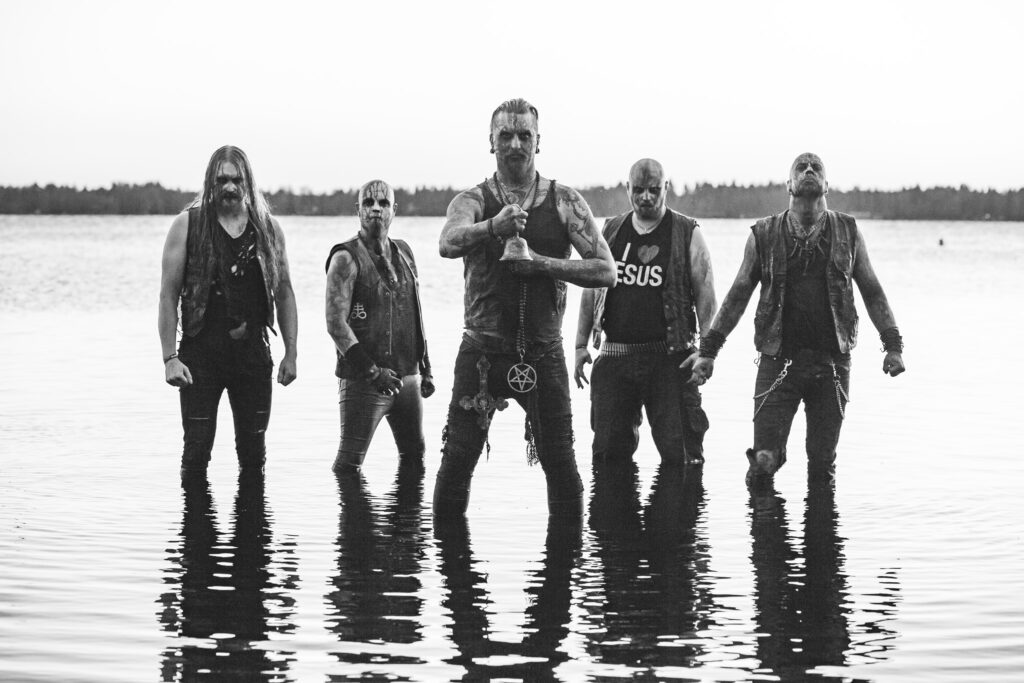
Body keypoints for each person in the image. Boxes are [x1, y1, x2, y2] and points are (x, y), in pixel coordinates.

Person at [435, 97, 617, 517]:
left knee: (562, 467)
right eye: (505, 135)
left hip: (543, 352)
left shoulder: (564, 201)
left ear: (538, 141)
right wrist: (492, 227)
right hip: (482, 352)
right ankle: (450, 558)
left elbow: (606, 270)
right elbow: (447, 242)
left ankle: (564, 558)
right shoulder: (473, 200)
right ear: (491, 142)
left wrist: (541, 264)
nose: (515, 144)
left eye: (524, 135)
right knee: (456, 462)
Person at [690, 153, 905, 487]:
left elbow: (873, 291)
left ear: (826, 185)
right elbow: (737, 296)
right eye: (801, 168)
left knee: (822, 463)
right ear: (788, 185)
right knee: (763, 461)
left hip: (832, 365)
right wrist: (709, 352)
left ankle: (820, 521)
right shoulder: (763, 234)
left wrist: (893, 346)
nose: (808, 170)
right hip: (778, 364)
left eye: (815, 167)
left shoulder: (848, 231)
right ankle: (764, 519)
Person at [159, 145, 298, 478]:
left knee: (253, 458)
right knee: (195, 454)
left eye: (237, 179)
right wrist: (169, 358)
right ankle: (195, 513)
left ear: (248, 182)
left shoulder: (268, 229)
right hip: (199, 358)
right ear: (211, 181)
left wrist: (291, 353)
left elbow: (285, 292)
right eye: (222, 180)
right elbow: (167, 295)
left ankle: (252, 514)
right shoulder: (187, 225)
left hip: (253, 357)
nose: (230, 187)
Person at [574, 159, 716, 465]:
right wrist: (580, 345)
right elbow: (590, 287)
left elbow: (706, 295)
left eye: (654, 189)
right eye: (638, 190)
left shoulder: (687, 232)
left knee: (683, 459)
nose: (646, 197)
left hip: (671, 360)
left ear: (666, 188)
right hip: (615, 357)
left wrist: (708, 351)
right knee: (608, 459)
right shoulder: (611, 230)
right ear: (628, 188)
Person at [325, 179, 433, 472]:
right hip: (364, 380)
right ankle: (352, 505)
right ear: (357, 210)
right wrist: (373, 372)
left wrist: (426, 366)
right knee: (349, 463)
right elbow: (335, 324)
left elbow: (415, 309)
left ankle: (407, 506)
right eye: (368, 203)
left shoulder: (405, 252)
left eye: (383, 203)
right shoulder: (345, 258)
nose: (375, 209)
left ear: (393, 210)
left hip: (407, 377)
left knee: (415, 457)